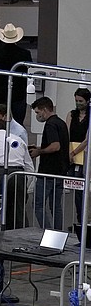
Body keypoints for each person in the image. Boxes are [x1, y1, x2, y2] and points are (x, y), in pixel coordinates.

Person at [29, 96, 70, 230]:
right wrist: (40, 148)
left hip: (48, 172)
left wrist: (39, 152)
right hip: (60, 171)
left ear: (45, 110)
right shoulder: (61, 123)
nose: (37, 115)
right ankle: (58, 233)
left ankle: (46, 231)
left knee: (38, 204)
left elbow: (55, 146)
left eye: (37, 112)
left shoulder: (50, 124)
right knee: (56, 205)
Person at [0, 23, 32, 125]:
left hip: (0, 94)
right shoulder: (25, 54)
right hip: (19, 93)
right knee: (18, 122)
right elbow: (28, 73)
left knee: (0, 122)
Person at [66, 88, 90, 224]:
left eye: (81, 101)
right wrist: (68, 153)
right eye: (76, 101)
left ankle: (84, 219)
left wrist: (74, 152)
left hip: (84, 153)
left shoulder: (90, 116)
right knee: (75, 189)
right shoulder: (71, 114)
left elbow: (87, 140)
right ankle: (78, 219)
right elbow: (67, 133)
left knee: (83, 189)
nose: (78, 103)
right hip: (72, 153)